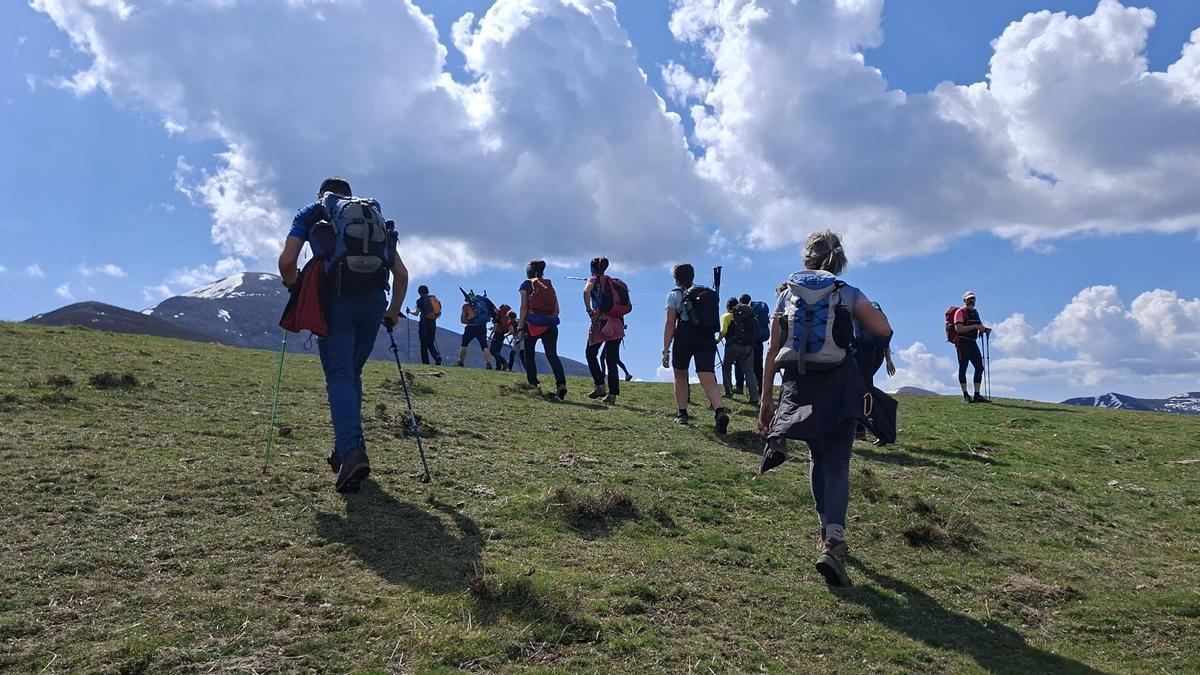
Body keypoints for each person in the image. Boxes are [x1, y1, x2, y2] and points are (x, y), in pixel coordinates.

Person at [757, 230, 891, 587]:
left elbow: (773, 349)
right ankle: (833, 540)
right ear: (839, 259)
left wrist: (766, 398)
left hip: (800, 384)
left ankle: (823, 529)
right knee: (838, 463)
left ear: (806, 259)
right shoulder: (846, 292)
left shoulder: (786, 294)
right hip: (841, 383)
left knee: (817, 459)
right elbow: (882, 328)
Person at [278, 176, 408, 494]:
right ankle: (345, 449)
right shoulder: (372, 214)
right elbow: (401, 274)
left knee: (338, 375)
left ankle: (351, 452)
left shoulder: (312, 211)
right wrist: (392, 312)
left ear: (322, 194)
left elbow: (286, 263)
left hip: (336, 300)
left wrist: (297, 288)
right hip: (375, 300)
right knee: (351, 373)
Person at [663, 263, 730, 432]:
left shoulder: (674, 295)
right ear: (692, 276)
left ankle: (682, 413)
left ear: (675, 277)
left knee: (680, 374)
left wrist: (666, 349)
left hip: (684, 336)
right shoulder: (705, 293)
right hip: (706, 337)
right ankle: (719, 412)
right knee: (707, 376)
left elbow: (671, 322)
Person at [518, 260, 568, 400]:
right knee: (552, 355)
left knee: (529, 356)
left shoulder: (526, 285)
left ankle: (533, 385)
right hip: (550, 324)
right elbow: (557, 310)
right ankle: (561, 384)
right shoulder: (549, 286)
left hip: (531, 325)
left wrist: (521, 326)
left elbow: (523, 308)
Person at [583, 257, 625, 405]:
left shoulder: (593, 279)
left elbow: (586, 291)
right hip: (617, 322)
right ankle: (612, 395)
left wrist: (588, 309)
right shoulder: (612, 282)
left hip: (601, 322)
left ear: (592, 268)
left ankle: (600, 385)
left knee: (590, 354)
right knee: (611, 359)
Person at [718, 297, 761, 406]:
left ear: (727, 306)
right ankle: (754, 397)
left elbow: (723, 331)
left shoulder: (727, 316)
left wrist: (718, 340)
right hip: (748, 348)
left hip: (733, 346)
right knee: (749, 372)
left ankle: (728, 391)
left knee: (726, 367)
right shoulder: (749, 316)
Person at [954, 291, 991, 403]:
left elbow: (979, 326)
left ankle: (976, 395)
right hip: (962, 342)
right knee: (963, 368)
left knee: (979, 367)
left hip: (972, 342)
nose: (971, 301)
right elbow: (958, 329)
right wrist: (975, 326)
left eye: (973, 299)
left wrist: (984, 330)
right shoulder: (960, 312)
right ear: (964, 300)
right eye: (969, 299)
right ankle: (965, 395)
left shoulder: (975, 312)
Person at [456, 291, 496, 369]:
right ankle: (489, 363)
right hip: (482, 327)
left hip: (471, 327)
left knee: (464, 344)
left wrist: (469, 319)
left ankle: (460, 362)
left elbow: (463, 321)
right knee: (484, 346)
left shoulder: (466, 307)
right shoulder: (482, 304)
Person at [405, 285, 442, 366]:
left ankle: (426, 363)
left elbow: (417, 313)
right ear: (427, 291)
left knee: (423, 344)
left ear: (419, 292)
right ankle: (437, 357)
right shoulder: (434, 299)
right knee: (430, 342)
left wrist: (409, 312)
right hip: (433, 323)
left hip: (424, 323)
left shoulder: (420, 301)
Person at [742, 293, 769, 393]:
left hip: (750, 342)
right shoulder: (759, 311)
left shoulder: (746, 311)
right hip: (759, 341)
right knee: (759, 365)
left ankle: (751, 389)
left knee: (749, 366)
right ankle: (761, 388)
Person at [489, 303, 515, 370]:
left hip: (498, 333)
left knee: (492, 351)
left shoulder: (497, 314)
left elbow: (496, 324)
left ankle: (504, 362)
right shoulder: (504, 315)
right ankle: (498, 367)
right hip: (503, 333)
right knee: (497, 351)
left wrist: (491, 334)